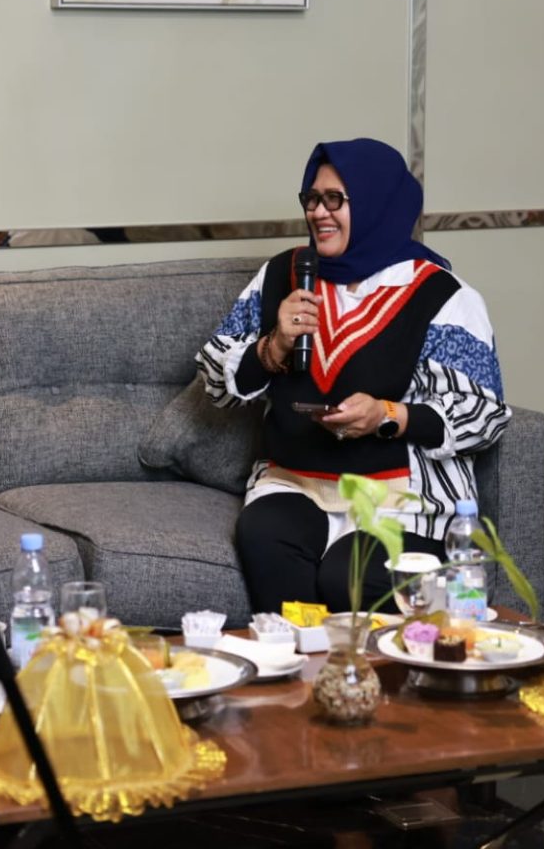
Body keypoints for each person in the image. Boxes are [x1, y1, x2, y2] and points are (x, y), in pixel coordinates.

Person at [198, 139, 511, 614]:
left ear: (376, 204)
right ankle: (297, 658)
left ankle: (368, 662)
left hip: (401, 497)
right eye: (312, 198)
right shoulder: (282, 275)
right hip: (295, 481)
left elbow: (483, 415)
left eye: (335, 199)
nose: (318, 213)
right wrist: (273, 346)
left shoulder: (442, 295)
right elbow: (214, 380)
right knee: (265, 535)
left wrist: (387, 415)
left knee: (348, 575)